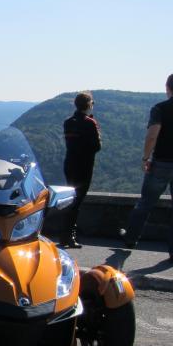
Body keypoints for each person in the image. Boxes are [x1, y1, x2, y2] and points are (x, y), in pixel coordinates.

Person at [121, 73, 173, 263]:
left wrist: (145, 157)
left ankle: (131, 239)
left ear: (168, 87)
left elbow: (152, 135)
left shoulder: (160, 108)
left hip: (162, 163)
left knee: (145, 203)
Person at [60, 91, 101, 248]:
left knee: (72, 199)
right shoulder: (90, 123)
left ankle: (67, 234)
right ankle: (69, 236)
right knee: (76, 201)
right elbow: (97, 147)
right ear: (89, 105)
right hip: (84, 166)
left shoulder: (68, 122)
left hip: (70, 164)